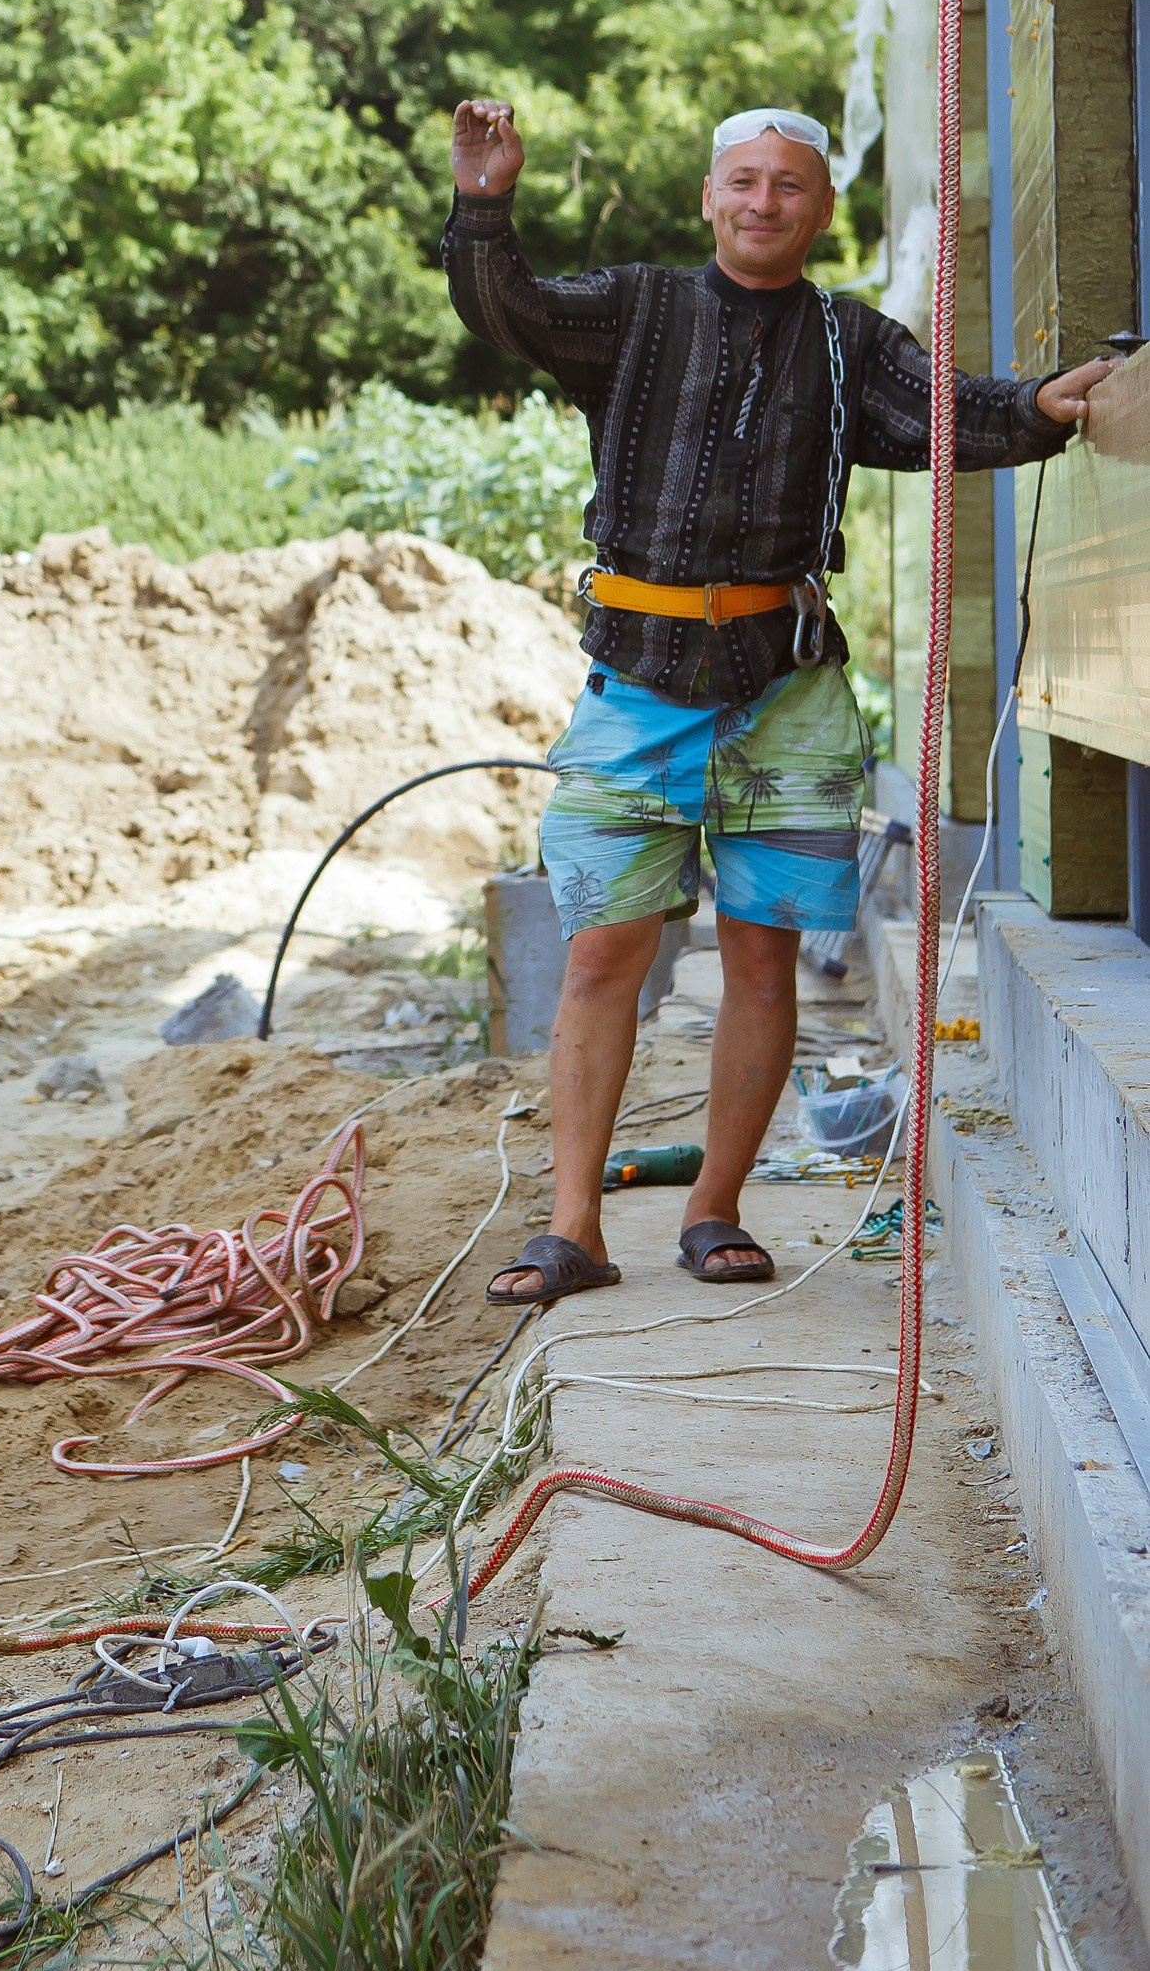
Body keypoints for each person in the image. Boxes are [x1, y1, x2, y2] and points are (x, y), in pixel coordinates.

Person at [444, 98, 1113, 1306]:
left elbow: (953, 413)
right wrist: (483, 201)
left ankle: (714, 1213)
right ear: (710, 198)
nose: (762, 202)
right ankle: (574, 1229)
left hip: (788, 693)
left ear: (817, 207)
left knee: (763, 963)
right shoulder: (637, 309)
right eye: (742, 182)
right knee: (602, 956)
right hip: (635, 686)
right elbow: (509, 309)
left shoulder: (853, 343)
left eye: (788, 185)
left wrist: (1051, 407)